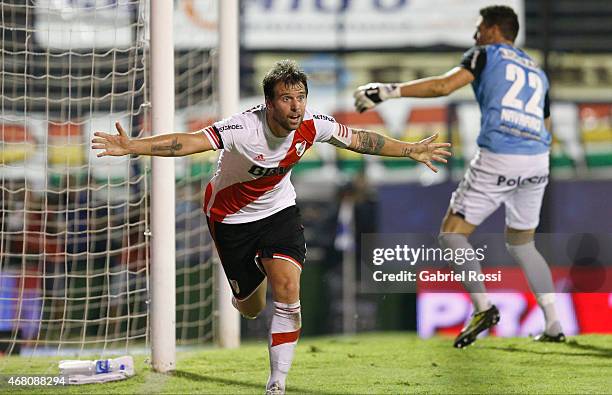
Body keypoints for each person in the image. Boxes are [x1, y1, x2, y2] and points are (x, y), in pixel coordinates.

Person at [92, 59, 451, 394]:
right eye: (286, 98)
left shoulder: (313, 124)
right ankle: (248, 286)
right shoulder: (243, 128)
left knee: (289, 291)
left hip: (279, 212)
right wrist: (133, 146)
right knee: (250, 307)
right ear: (268, 102)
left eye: (300, 97)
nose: (296, 107)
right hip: (230, 220)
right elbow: (186, 143)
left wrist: (409, 149)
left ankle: (276, 384)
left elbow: (359, 139)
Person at [354, 5, 565, 348]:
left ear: (496, 30)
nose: (475, 34)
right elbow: (548, 124)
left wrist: (387, 91)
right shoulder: (537, 72)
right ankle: (554, 323)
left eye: (480, 27)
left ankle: (483, 308)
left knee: (452, 234)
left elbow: (443, 86)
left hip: (501, 153)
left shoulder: (485, 54)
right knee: (523, 243)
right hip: (538, 159)